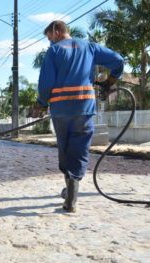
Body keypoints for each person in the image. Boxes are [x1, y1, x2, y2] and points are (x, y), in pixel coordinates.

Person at [36, 20, 124, 213]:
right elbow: (118, 60)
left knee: (65, 149)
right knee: (80, 149)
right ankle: (72, 197)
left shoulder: (54, 52)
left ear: (56, 31)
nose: (50, 42)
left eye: (50, 37)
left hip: (60, 110)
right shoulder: (90, 47)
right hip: (84, 108)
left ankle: (70, 193)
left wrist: (42, 103)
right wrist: (110, 80)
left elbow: (45, 83)